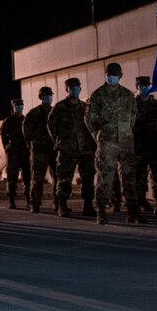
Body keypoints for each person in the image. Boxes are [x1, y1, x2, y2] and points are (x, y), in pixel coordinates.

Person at [85, 62, 141, 224]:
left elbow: (133, 116)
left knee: (129, 176)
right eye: (109, 75)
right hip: (107, 142)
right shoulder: (98, 95)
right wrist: (99, 136)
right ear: (105, 76)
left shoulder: (127, 95)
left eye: (115, 75)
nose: (112, 78)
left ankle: (132, 211)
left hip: (125, 141)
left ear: (120, 76)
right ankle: (101, 211)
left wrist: (125, 131)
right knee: (105, 176)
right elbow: (89, 119)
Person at [48, 77, 97, 218]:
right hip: (67, 149)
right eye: (72, 87)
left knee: (88, 177)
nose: (75, 90)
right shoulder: (60, 107)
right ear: (67, 89)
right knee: (64, 177)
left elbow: (92, 126)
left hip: (85, 148)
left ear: (80, 89)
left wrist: (92, 144)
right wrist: (58, 141)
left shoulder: (85, 108)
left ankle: (88, 205)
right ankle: (62, 206)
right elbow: (51, 124)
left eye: (77, 87)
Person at [133, 76, 157, 215]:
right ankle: (141, 201)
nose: (145, 88)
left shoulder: (156, 104)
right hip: (139, 145)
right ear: (137, 87)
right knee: (140, 176)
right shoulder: (132, 104)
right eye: (142, 86)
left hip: (155, 144)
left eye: (147, 85)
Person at [23, 86, 55, 214]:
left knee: (57, 176)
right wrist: (31, 144)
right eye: (47, 95)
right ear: (41, 97)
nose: (49, 98)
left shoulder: (55, 111)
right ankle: (35, 204)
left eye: (50, 95)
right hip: (39, 149)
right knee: (37, 178)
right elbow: (26, 130)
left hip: (53, 149)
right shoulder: (34, 113)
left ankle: (58, 203)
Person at [0, 99, 29, 209]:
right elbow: (2, 133)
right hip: (13, 153)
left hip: (25, 152)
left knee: (27, 177)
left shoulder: (25, 120)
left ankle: (29, 200)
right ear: (13, 107)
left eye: (21, 105)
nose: (19, 107)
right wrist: (6, 146)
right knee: (12, 177)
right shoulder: (8, 121)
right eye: (17, 105)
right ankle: (11, 200)